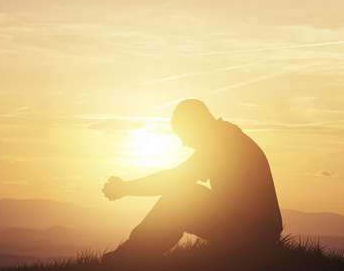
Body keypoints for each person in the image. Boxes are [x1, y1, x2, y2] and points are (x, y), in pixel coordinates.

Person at [102, 99, 283, 261]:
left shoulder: (223, 143)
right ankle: (136, 255)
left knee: (181, 196)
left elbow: (174, 179)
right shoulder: (226, 137)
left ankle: (131, 257)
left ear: (195, 126)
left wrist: (126, 188)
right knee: (183, 193)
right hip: (259, 231)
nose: (183, 143)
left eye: (183, 135)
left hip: (255, 234)